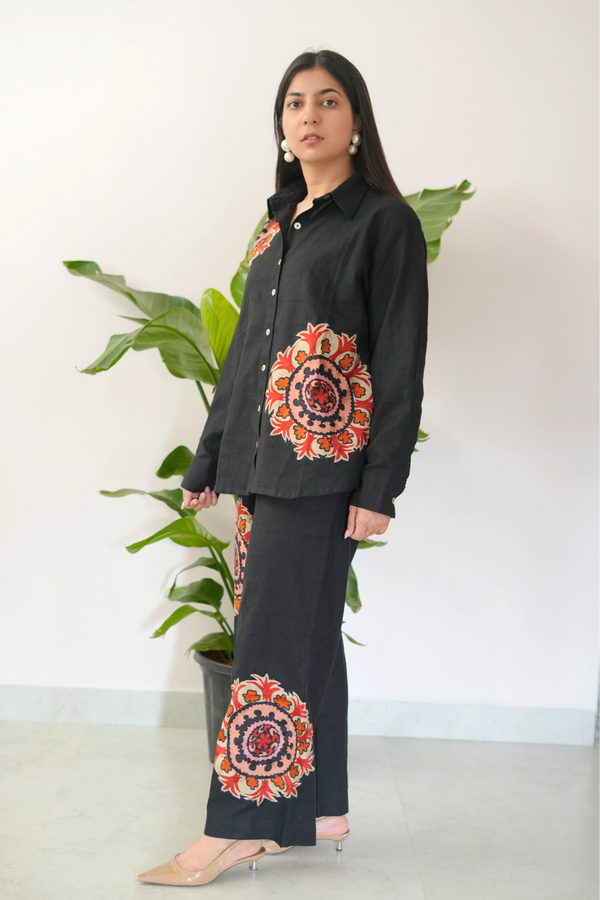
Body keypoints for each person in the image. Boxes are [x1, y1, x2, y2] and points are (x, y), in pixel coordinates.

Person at [135, 47, 429, 887]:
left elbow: (400, 362)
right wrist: (209, 457)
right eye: (295, 102)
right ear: (281, 125)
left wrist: (381, 487)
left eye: (328, 101)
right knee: (306, 638)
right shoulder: (276, 224)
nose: (309, 116)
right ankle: (314, 809)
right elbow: (244, 366)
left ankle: (233, 829)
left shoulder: (383, 223)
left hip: (325, 471)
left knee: (270, 643)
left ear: (356, 121)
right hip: (264, 471)